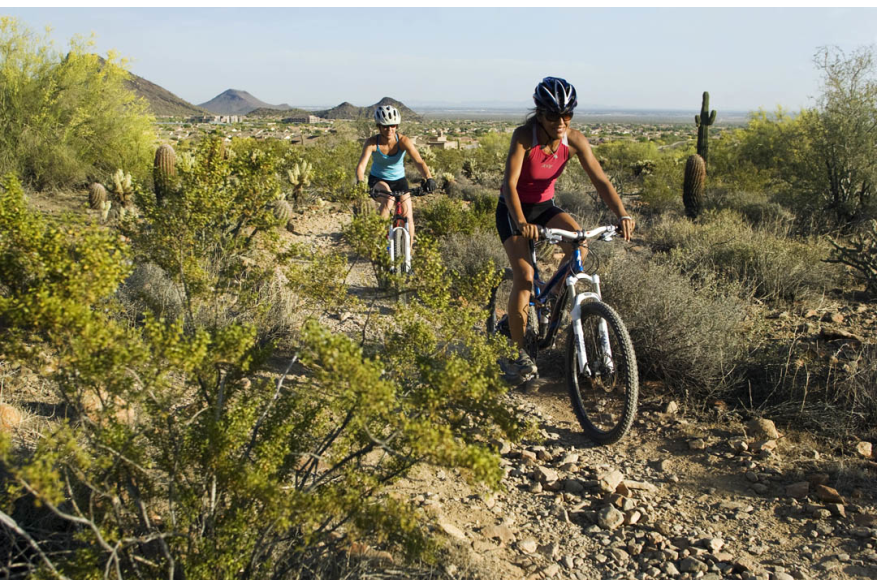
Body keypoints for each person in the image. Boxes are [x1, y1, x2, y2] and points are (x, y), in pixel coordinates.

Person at [497, 77, 635, 378]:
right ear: (539, 113)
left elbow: (601, 181)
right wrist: (521, 222)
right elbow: (509, 184)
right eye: (553, 115)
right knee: (525, 276)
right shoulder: (524, 136)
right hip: (514, 208)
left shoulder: (574, 140)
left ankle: (553, 301)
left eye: (567, 114)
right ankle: (516, 355)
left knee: (580, 244)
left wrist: (622, 214)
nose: (561, 122)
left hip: (544, 208)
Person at [355, 105, 436, 245]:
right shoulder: (372, 143)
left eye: (393, 126)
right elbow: (361, 166)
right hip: (378, 180)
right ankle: (379, 241)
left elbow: (419, 161)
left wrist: (428, 178)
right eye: (385, 126)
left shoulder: (403, 141)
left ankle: (408, 255)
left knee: (408, 215)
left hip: (399, 180)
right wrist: (361, 182)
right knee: (389, 200)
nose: (389, 129)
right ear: (379, 127)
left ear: (396, 125)